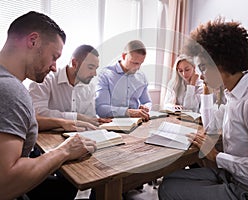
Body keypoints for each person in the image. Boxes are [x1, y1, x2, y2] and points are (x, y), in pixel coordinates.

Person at [158, 18, 248, 200]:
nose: (200, 76)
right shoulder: (233, 95)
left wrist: (217, 156)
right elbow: (210, 126)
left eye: (202, 68)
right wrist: (207, 91)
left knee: (168, 189)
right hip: (235, 176)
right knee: (170, 180)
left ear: (221, 64)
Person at [0, 11, 97, 200]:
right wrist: (65, 150)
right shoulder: (11, 90)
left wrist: (62, 123)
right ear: (33, 41)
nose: (54, 66)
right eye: (54, 56)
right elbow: (5, 184)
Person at [29, 44, 112, 127]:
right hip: (47, 136)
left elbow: (89, 118)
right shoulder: (45, 80)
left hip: (79, 135)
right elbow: (38, 114)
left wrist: (98, 123)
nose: (94, 74)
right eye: (90, 67)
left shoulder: (90, 87)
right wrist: (77, 117)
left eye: (96, 68)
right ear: (74, 63)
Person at [95, 40, 152, 121]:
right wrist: (127, 112)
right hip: (112, 123)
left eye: (140, 63)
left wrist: (146, 107)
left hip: (137, 122)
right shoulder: (106, 75)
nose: (138, 67)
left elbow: (147, 101)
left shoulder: (141, 76)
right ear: (124, 56)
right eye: (135, 63)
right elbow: (101, 109)